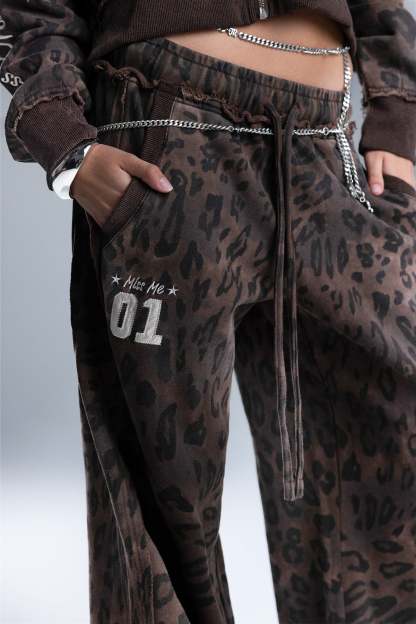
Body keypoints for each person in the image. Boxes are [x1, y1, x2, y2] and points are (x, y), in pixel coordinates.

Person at [1, 2, 416, 623]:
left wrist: (397, 110)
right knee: (166, 503)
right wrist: (64, 143)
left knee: (387, 460)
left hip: (324, 141)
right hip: (172, 128)